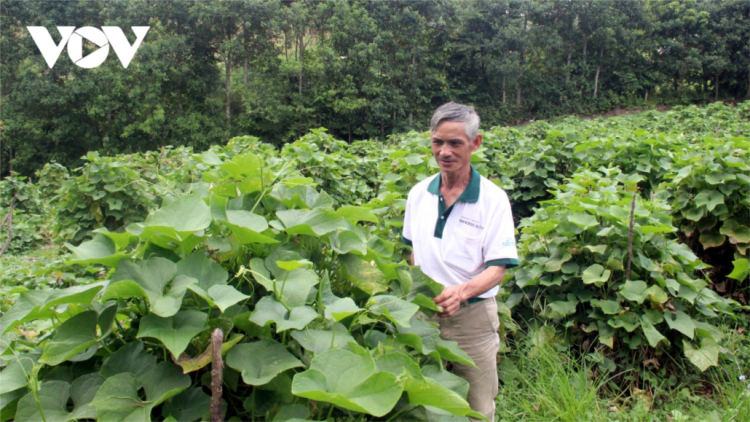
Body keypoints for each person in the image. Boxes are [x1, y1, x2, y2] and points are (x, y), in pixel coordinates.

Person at [401, 102, 519, 421]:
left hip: (473, 319)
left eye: (455, 143)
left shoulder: (492, 200)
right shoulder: (417, 195)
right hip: (424, 316)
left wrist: (462, 292)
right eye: (438, 142)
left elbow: (498, 268)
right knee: (420, 401)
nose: (445, 151)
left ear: (475, 143)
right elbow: (413, 251)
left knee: (477, 407)